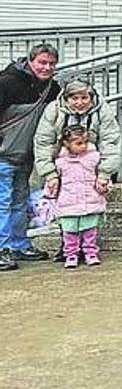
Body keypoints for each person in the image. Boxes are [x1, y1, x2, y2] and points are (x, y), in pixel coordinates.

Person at [0, 44, 61, 271]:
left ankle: (18, 244)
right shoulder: (7, 82)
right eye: (42, 62)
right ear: (30, 61)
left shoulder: (52, 89)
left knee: (19, 202)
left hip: (26, 156)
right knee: (2, 203)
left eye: (51, 64)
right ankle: (2, 248)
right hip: (3, 154)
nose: (46, 68)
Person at [34, 79, 121, 203]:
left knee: (92, 205)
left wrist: (104, 174)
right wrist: (50, 174)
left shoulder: (102, 110)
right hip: (61, 169)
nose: (80, 103)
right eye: (74, 98)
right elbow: (44, 142)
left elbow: (110, 140)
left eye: (84, 98)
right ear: (66, 98)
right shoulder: (53, 110)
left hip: (92, 168)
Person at [46, 126, 108, 268]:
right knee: (69, 232)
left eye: (86, 142)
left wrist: (104, 185)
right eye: (79, 143)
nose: (84, 146)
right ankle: (71, 255)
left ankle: (90, 253)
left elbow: (102, 175)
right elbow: (54, 181)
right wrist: (51, 190)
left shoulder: (94, 158)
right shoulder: (59, 162)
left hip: (90, 200)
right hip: (68, 203)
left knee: (90, 231)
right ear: (67, 144)